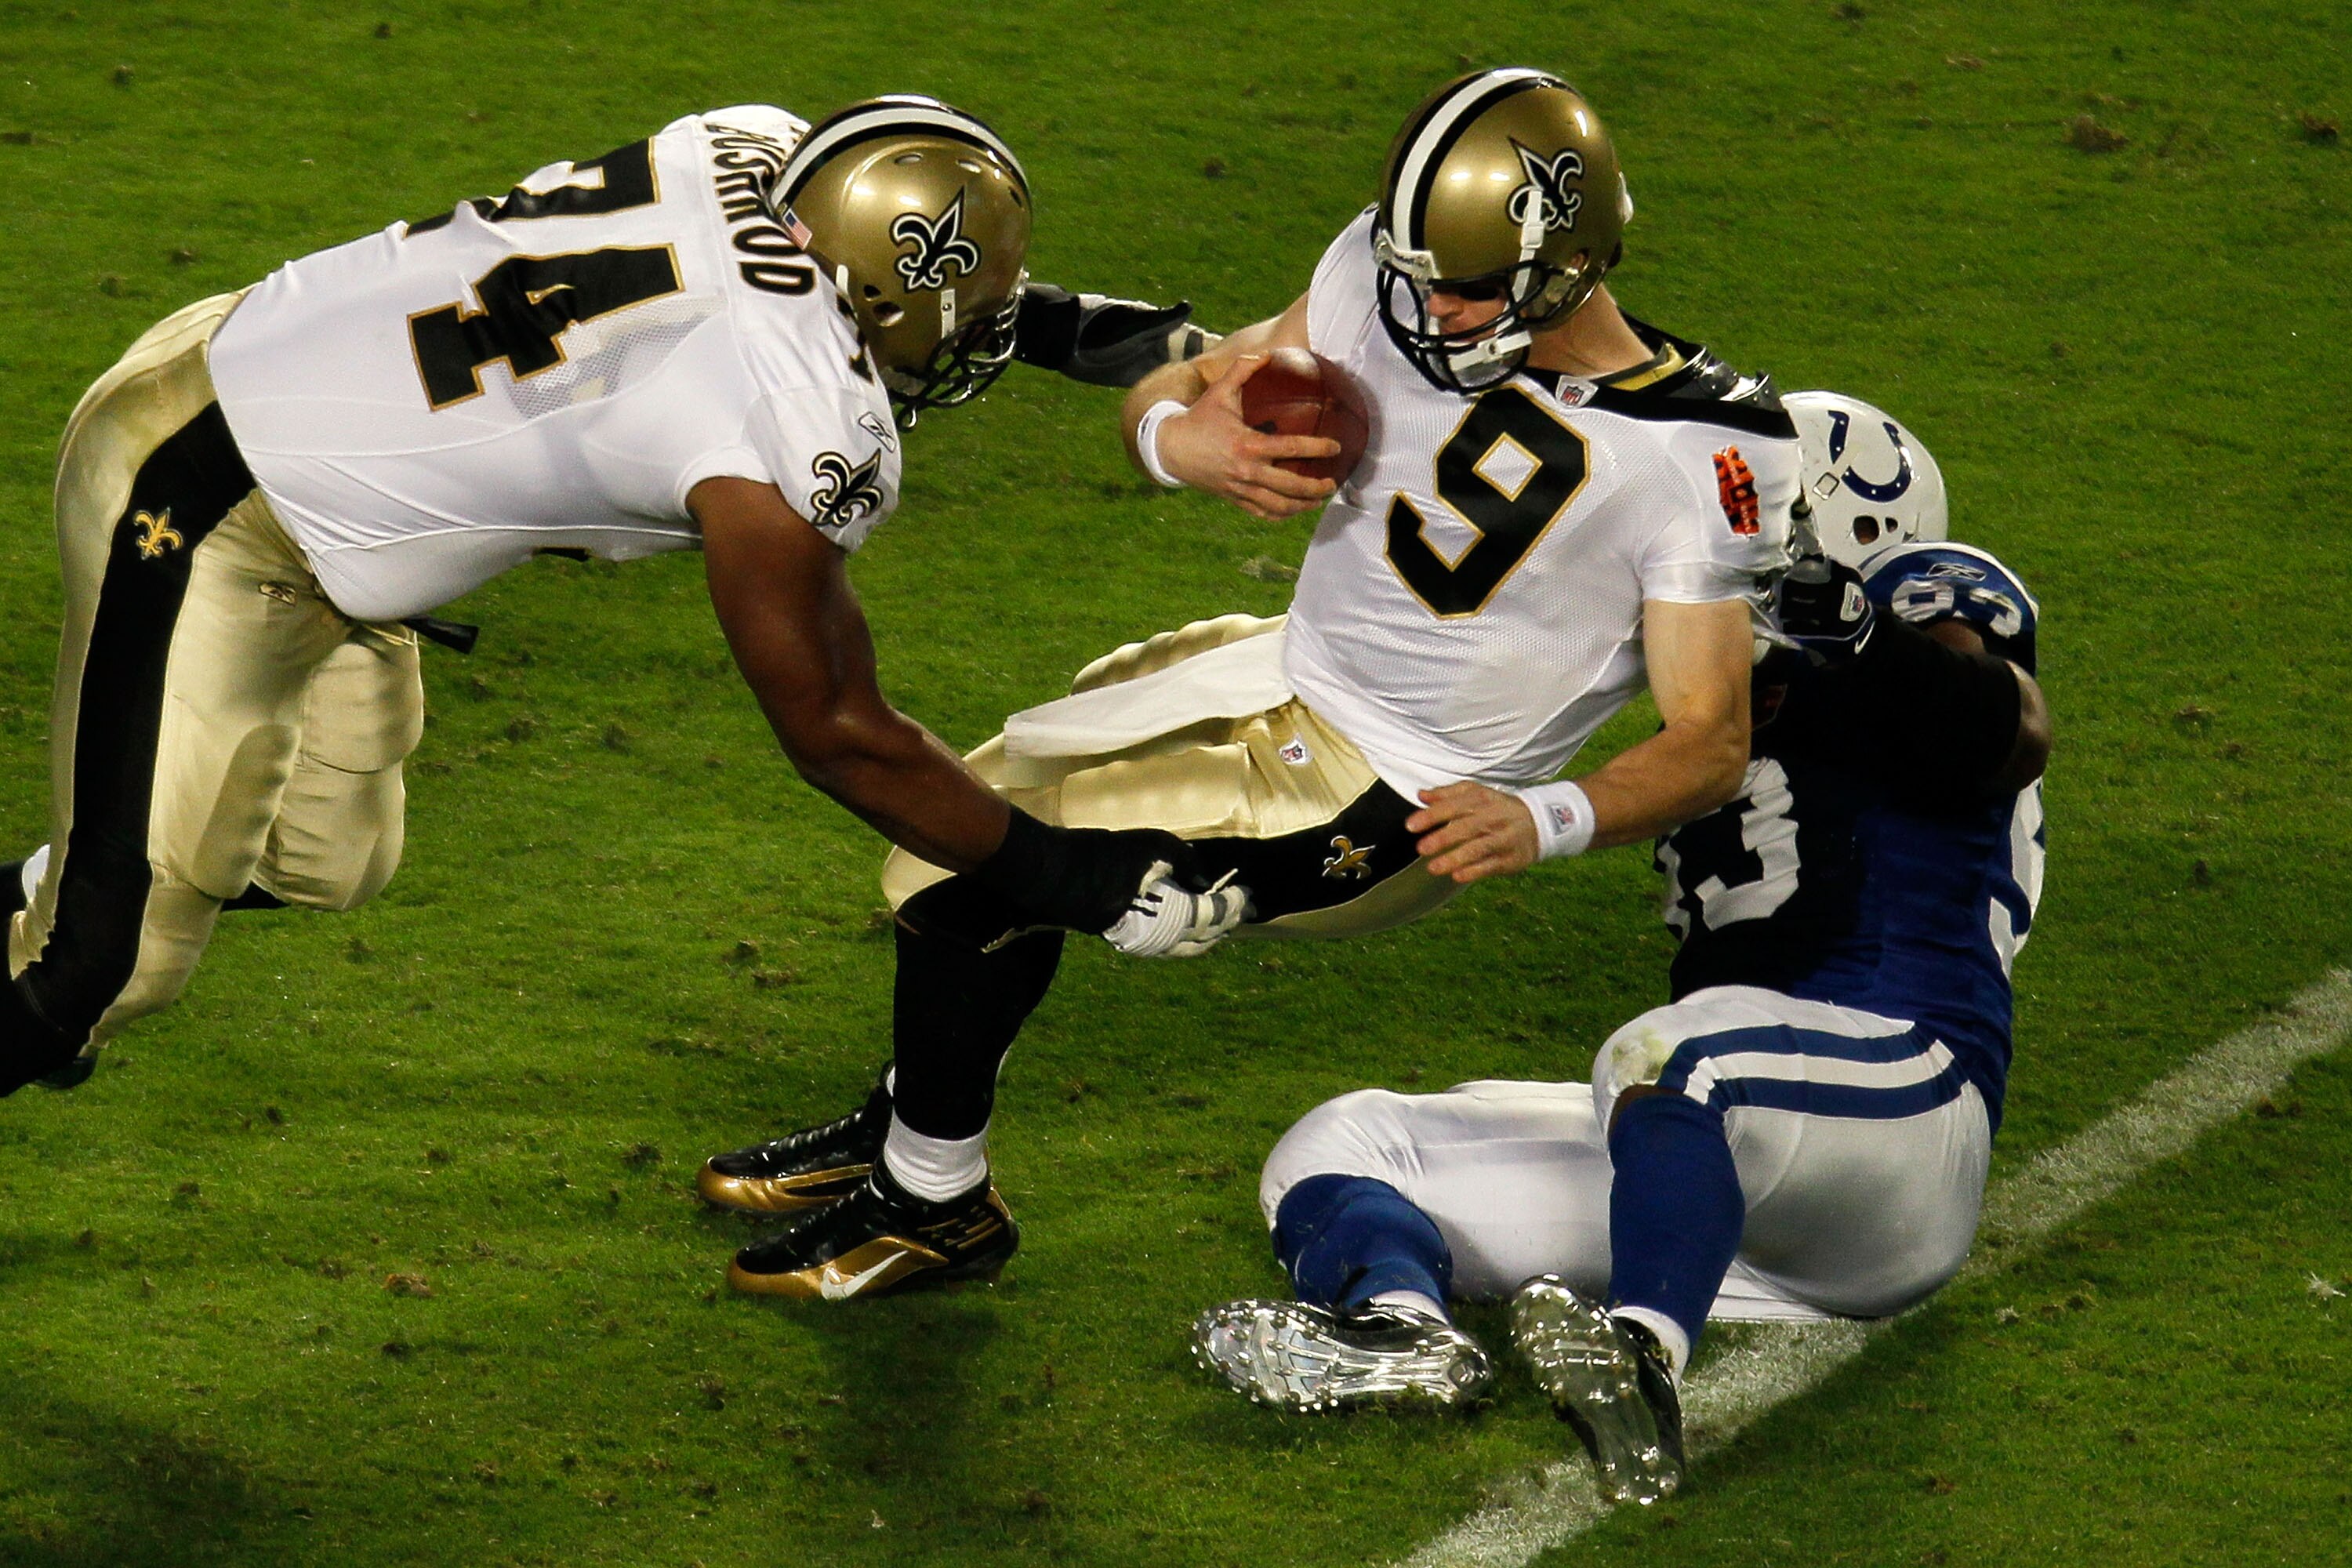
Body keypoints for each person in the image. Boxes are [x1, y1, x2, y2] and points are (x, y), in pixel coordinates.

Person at [698, 67, 1799, 1301]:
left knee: (973, 873)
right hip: (1280, 669)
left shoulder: (1711, 453)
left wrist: (1545, 818)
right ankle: (914, 1122)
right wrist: (1182, 441)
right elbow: (1197, 377)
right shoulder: (1388, 273)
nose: (1429, 308)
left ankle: (935, 1202)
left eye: (1469, 284)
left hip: (1390, 794)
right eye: (1417, 271)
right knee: (970, 815)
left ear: (1575, 258)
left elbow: (1710, 740)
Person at [0, 94, 1245, 1102]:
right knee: (100, 975)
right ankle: (74, 926)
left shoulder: (754, 147)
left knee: (329, 860)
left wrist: (1143, 347)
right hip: (212, 510)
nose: (977, 335)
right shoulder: (791, 430)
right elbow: (837, 734)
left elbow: (903, 280)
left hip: (286, 417)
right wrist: (1082, 883)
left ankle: (75, 867)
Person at [1191, 392, 2050, 1507]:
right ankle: (1396, 1329)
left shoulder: (1928, 617)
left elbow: (2008, 733)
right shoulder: (1710, 704)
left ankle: (1639, 1358)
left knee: (1667, 1058)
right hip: (1729, 1165)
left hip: (1900, 1103)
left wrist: (1852, 625)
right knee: (1345, 1142)